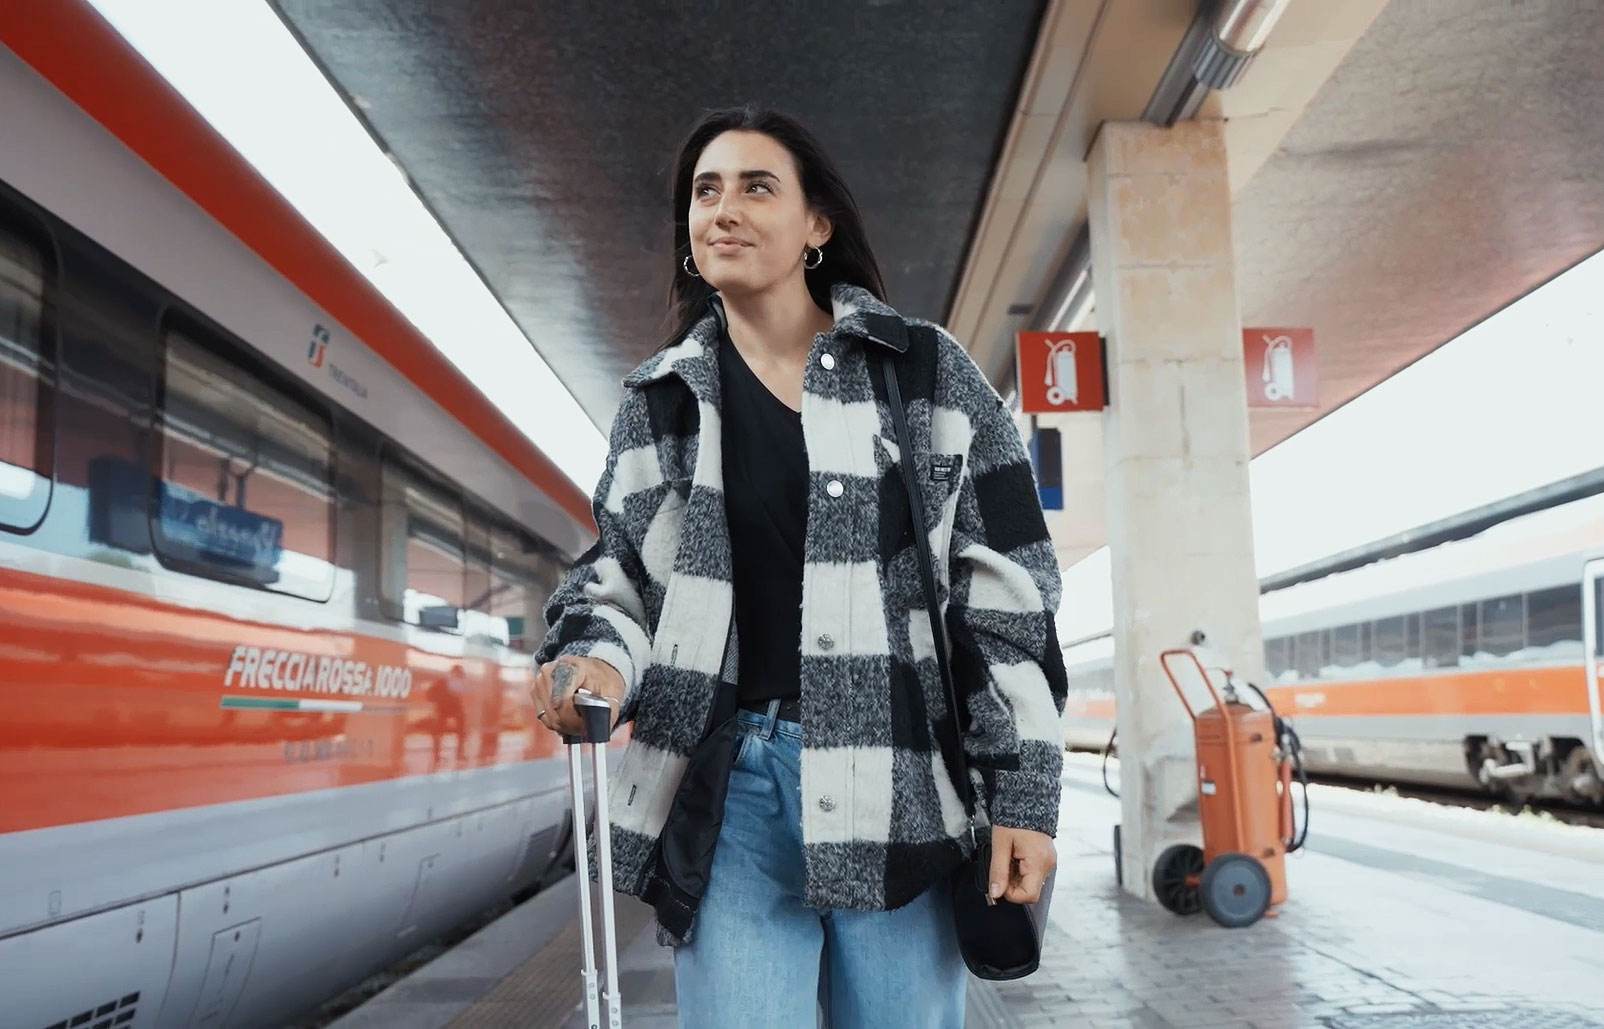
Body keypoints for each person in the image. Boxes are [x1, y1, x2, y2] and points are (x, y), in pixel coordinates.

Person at [531, 105, 1068, 1028]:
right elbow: (618, 583)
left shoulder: (922, 371)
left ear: (817, 225)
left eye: (755, 186)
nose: (722, 209)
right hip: (732, 793)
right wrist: (594, 662)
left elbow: (1008, 592)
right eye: (705, 191)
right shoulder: (662, 402)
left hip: (901, 790)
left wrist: (1023, 792)